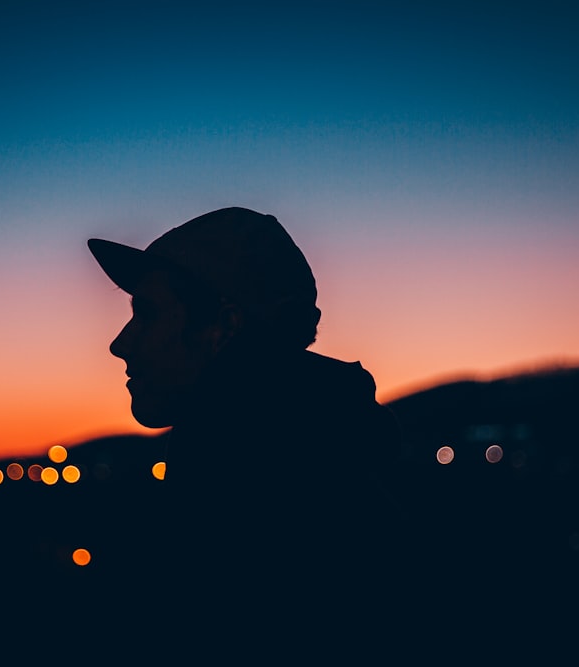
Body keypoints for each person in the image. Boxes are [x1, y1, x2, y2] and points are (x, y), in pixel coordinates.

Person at [87, 207, 406, 659]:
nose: (120, 344)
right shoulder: (323, 466)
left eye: (149, 314)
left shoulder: (241, 504)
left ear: (224, 326)